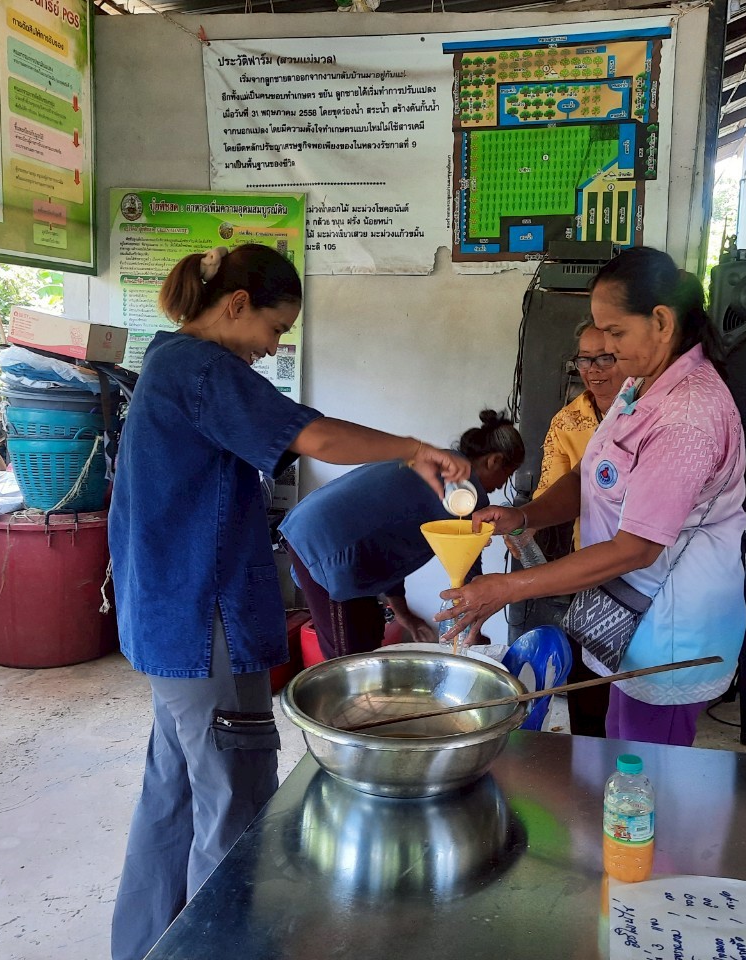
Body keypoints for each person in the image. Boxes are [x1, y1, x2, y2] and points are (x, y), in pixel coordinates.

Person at [107, 244, 468, 960]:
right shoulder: (204, 369)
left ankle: (144, 947)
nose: (273, 349)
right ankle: (216, 949)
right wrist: (412, 448)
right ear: (236, 305)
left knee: (173, 795)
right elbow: (315, 434)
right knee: (233, 808)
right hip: (204, 622)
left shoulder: (166, 360)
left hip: (167, 620)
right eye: (274, 330)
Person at [438, 246, 746, 747]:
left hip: (669, 627)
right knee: (616, 752)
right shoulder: (641, 385)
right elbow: (594, 474)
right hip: (628, 615)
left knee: (646, 772)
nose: (605, 347)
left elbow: (635, 549)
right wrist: (525, 515)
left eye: (615, 332)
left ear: (662, 322)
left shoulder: (687, 418)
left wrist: (505, 588)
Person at [280, 410, 525, 659]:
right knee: (350, 658)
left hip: (319, 529)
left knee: (369, 632)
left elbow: (389, 548)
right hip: (328, 543)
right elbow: (468, 568)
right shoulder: (465, 489)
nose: (502, 485)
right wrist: (474, 632)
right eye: (507, 475)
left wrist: (404, 615)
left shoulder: (440, 462)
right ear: (494, 461)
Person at [531, 319, 624, 737]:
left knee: (638, 688)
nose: (594, 370)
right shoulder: (568, 422)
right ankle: (589, 763)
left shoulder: (654, 414)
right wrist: (528, 521)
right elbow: (555, 490)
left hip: (651, 567)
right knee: (589, 684)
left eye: (606, 358)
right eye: (585, 360)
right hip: (593, 570)